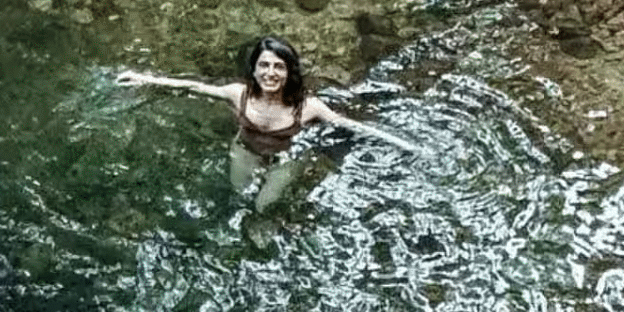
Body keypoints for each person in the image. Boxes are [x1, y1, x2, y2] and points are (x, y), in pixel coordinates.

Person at [116, 36, 418, 210]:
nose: (270, 73)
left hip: (284, 159)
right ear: (255, 69)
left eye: (278, 66)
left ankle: (277, 221)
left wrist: (404, 145)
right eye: (264, 65)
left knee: (262, 206)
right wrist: (144, 79)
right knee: (238, 195)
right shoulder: (239, 94)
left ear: (289, 72)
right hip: (244, 150)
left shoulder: (307, 106)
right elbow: (193, 87)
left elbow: (350, 125)